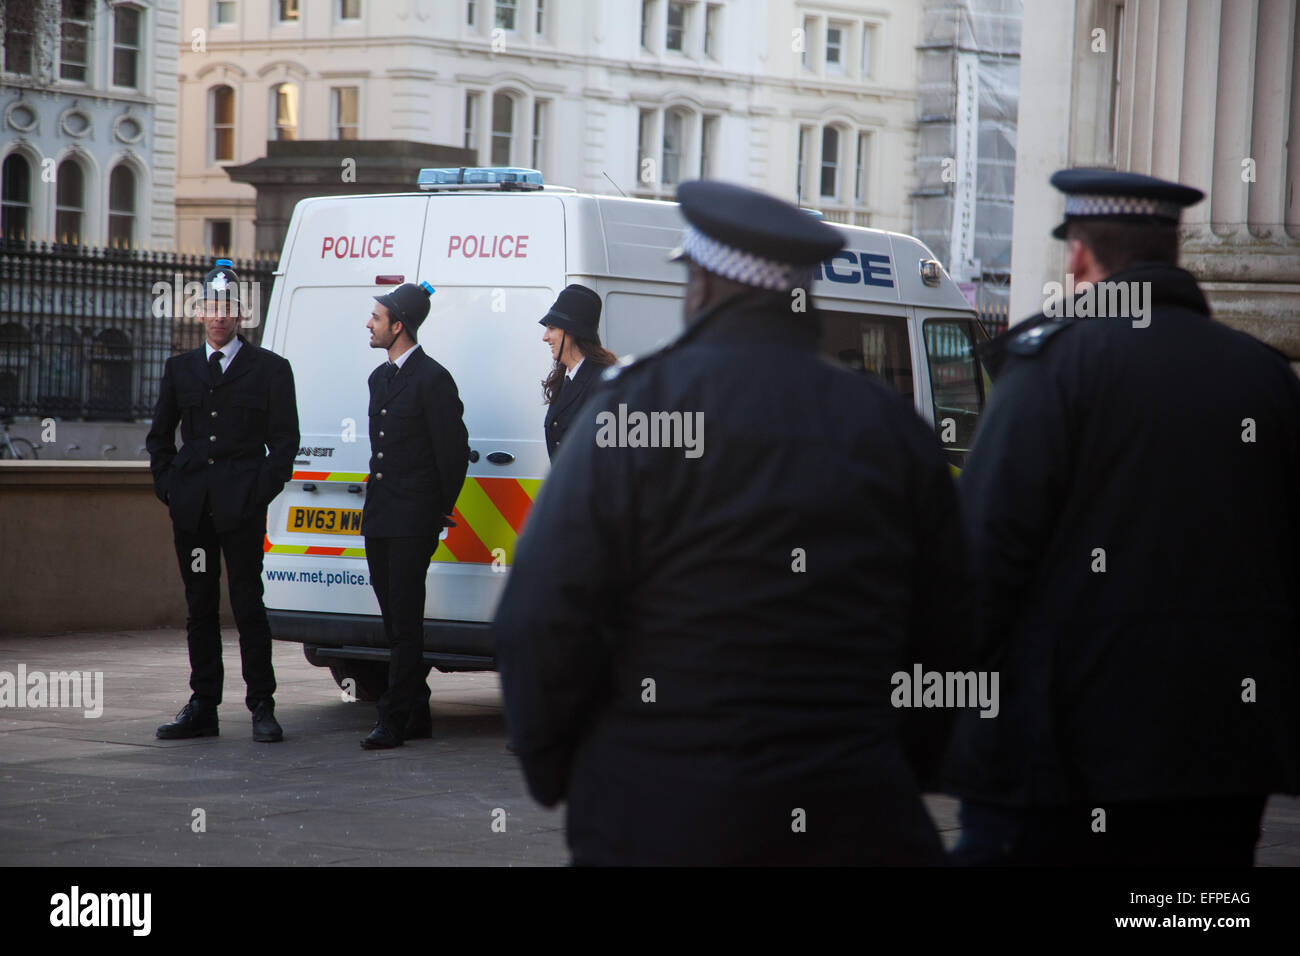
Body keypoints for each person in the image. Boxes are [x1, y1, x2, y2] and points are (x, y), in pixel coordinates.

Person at [493, 179, 971, 865]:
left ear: (702, 287)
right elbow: (948, 633)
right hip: (856, 816)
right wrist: (898, 767)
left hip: (660, 813)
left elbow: (537, 617)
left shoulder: (635, 408)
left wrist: (566, 770)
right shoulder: (892, 429)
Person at [944, 169, 1300, 866]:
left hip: (1061, 769)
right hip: (1222, 766)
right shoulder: (1262, 376)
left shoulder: (1051, 364)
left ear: (1078, 257)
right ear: (1173, 253)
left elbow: (981, 561)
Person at [148, 259, 300, 742]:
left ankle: (261, 705)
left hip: (241, 509)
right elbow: (159, 438)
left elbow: (285, 443)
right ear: (199, 313)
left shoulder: (271, 370)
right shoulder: (180, 369)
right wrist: (170, 487)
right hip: (193, 511)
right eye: (211, 306)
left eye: (228, 307)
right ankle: (203, 705)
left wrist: (258, 493)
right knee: (199, 606)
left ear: (241, 315)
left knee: (248, 605)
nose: (219, 316)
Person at [359, 281, 470, 750]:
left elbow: (454, 453)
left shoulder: (432, 378)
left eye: (377, 317)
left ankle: (393, 716)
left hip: (412, 520)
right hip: (380, 516)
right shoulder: (379, 378)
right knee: (393, 621)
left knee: (405, 623)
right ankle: (417, 711)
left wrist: (435, 511)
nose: (369, 323)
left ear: (399, 326)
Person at [540, 284, 616, 462]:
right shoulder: (564, 378)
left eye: (552, 328)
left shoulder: (602, 383)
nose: (545, 337)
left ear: (571, 331)